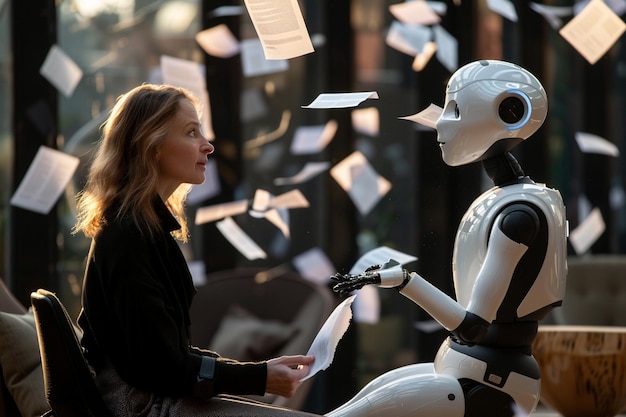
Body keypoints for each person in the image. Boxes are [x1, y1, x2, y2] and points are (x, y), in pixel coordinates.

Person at [326, 60, 568, 417]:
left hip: (490, 382)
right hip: (464, 368)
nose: (440, 122)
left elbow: (472, 327)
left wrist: (404, 280)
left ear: (509, 111)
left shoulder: (519, 215)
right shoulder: (511, 201)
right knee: (361, 401)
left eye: (454, 110)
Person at [73, 83, 315, 416]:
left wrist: (261, 371)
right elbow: (161, 368)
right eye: (191, 133)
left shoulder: (142, 229)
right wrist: (258, 377)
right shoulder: (128, 237)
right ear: (152, 145)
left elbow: (166, 356)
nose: (208, 146)